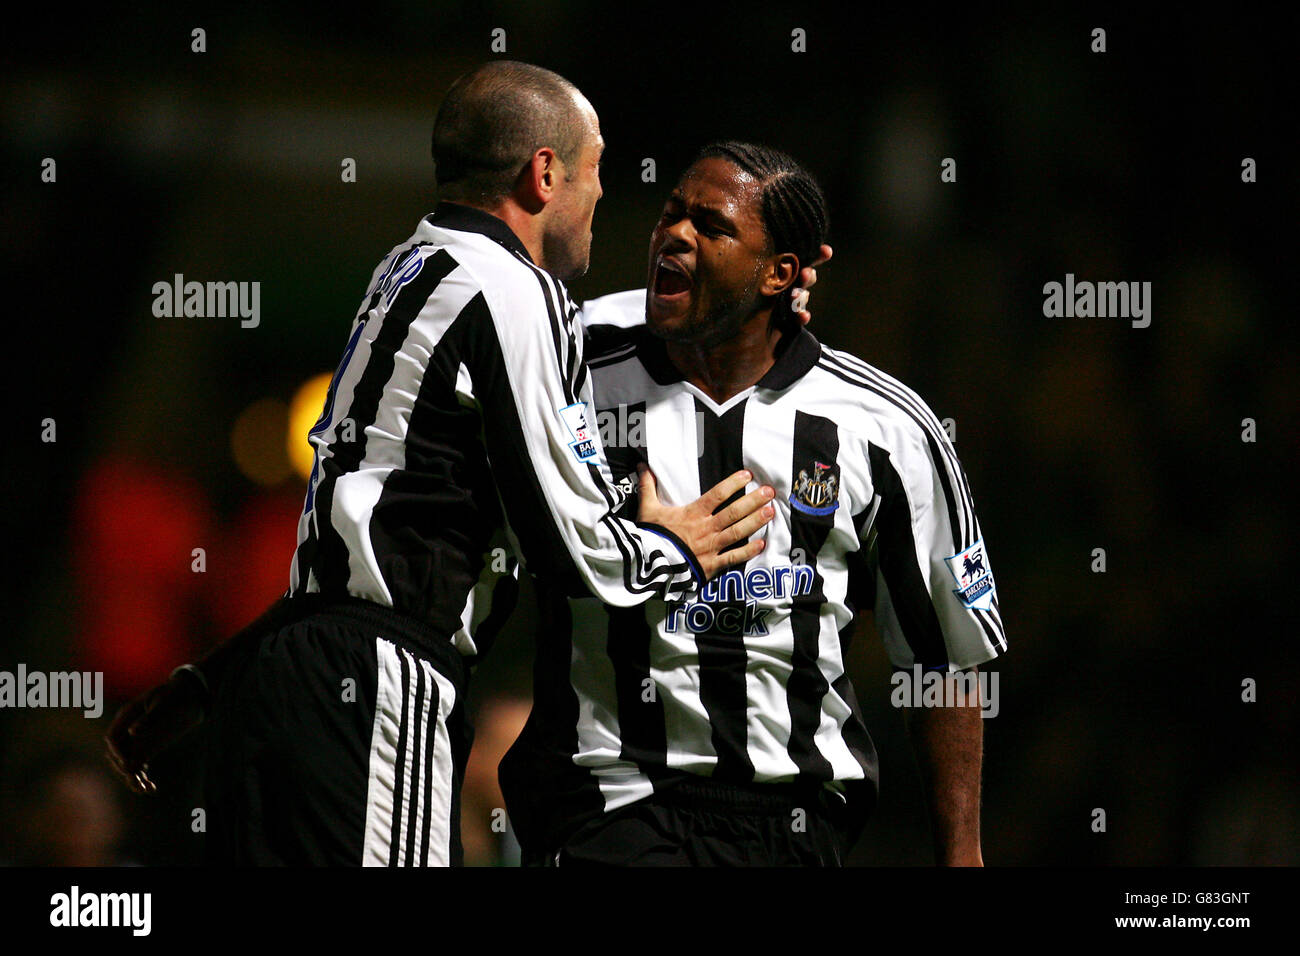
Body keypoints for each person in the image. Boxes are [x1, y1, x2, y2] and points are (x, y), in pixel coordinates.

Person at [104, 62, 779, 866]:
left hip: (288, 676)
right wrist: (675, 545)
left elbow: (348, 551)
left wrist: (212, 677)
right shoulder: (511, 292)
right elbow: (573, 549)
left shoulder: (406, 271)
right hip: (382, 683)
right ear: (544, 173)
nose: (601, 195)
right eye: (595, 170)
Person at [499, 142, 1007, 866]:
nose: (675, 233)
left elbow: (946, 656)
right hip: (611, 801)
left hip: (797, 821)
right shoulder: (568, 381)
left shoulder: (886, 428)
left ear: (782, 274)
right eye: (672, 212)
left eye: (711, 225)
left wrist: (963, 854)